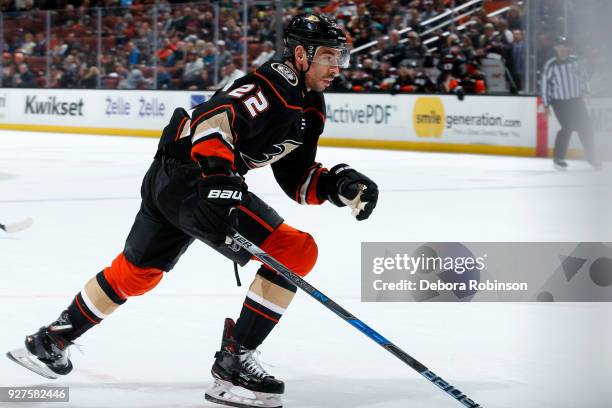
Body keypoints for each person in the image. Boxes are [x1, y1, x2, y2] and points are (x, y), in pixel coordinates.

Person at [6, 13, 379, 408]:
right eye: (329, 56)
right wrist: (218, 172)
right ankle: (233, 365)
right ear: (301, 54)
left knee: (138, 273)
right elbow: (213, 118)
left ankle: (50, 340)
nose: (338, 66)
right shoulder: (270, 85)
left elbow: (297, 178)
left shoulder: (310, 107)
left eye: (342, 57)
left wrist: (340, 185)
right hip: (194, 181)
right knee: (297, 250)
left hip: (172, 177)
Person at [542, 36, 600, 170]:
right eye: (560, 46)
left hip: (576, 100)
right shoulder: (550, 65)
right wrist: (546, 106)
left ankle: (592, 157)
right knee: (567, 127)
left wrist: (586, 90)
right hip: (559, 102)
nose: (563, 49)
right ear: (555, 48)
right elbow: (545, 86)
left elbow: (583, 77)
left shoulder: (575, 61)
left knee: (586, 127)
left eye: (565, 46)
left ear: (569, 48)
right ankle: (558, 158)